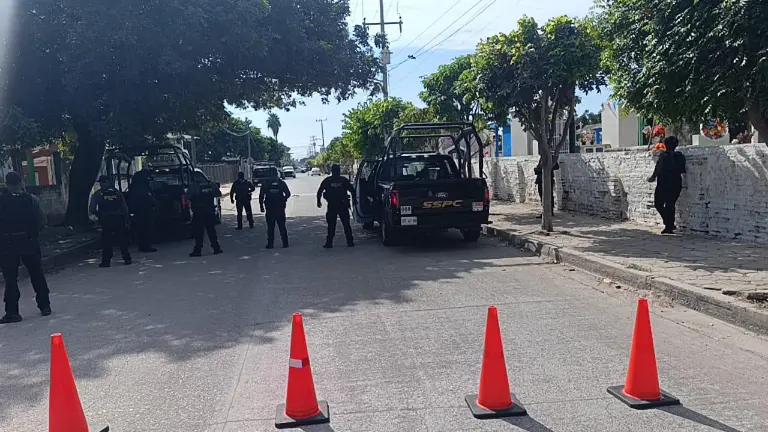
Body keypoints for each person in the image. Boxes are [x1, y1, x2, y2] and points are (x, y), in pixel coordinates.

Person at [0, 172, 51, 324]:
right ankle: (45, 306)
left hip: (8, 243)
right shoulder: (31, 199)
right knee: (37, 274)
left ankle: (12, 312)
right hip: (29, 241)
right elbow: (42, 221)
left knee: (11, 279)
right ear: (21, 182)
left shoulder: (1, 200)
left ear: (6, 184)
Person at [89, 175, 132, 267]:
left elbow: (92, 209)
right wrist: (127, 219)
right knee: (122, 240)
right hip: (119, 218)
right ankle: (127, 258)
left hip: (106, 220)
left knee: (107, 241)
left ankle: (106, 261)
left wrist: (99, 215)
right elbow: (124, 207)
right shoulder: (117, 193)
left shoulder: (98, 194)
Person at [648, 136, 687, 234]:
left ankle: (669, 225)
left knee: (661, 204)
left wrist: (653, 177)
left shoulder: (665, 156)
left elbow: (658, 169)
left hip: (664, 183)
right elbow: (682, 170)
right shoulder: (678, 156)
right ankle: (669, 224)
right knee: (669, 205)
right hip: (674, 182)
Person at [316, 164, 357, 248]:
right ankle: (350, 242)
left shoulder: (327, 180)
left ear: (332, 171)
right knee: (346, 224)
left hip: (332, 205)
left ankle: (329, 243)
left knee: (331, 225)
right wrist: (354, 201)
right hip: (343, 204)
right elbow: (352, 191)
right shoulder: (344, 180)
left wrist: (318, 201)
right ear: (339, 171)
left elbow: (320, 191)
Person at [188, 175, 223, 256]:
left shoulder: (194, 186)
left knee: (198, 233)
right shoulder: (211, 185)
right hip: (209, 211)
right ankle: (216, 248)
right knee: (211, 231)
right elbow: (218, 194)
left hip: (198, 212)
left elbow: (187, 197)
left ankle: (197, 251)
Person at [259, 167, 291, 249]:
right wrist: (283, 199)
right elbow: (288, 193)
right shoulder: (281, 183)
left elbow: (261, 195)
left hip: (270, 208)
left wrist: (261, 206)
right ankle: (285, 243)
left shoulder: (265, 183)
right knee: (282, 226)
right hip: (280, 208)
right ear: (277, 174)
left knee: (270, 227)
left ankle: (270, 244)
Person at [130, 168, 159, 252]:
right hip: (144, 210)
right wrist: (156, 204)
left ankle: (143, 246)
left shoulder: (135, 184)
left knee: (141, 229)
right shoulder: (142, 185)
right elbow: (148, 196)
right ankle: (146, 246)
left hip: (138, 210)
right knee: (146, 229)